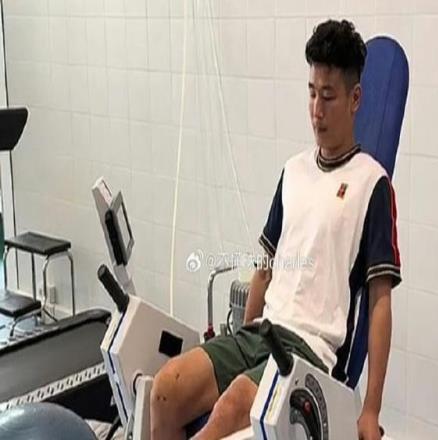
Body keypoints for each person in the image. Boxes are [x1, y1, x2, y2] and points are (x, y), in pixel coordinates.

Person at [150, 19, 401, 440]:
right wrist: (244, 334)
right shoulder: (293, 171)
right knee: (164, 389)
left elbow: (380, 301)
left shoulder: (372, 184)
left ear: (355, 98)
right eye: (311, 93)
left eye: (328, 96)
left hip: (311, 353)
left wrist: (370, 409)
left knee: (232, 406)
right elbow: (263, 270)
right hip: (261, 334)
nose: (316, 110)